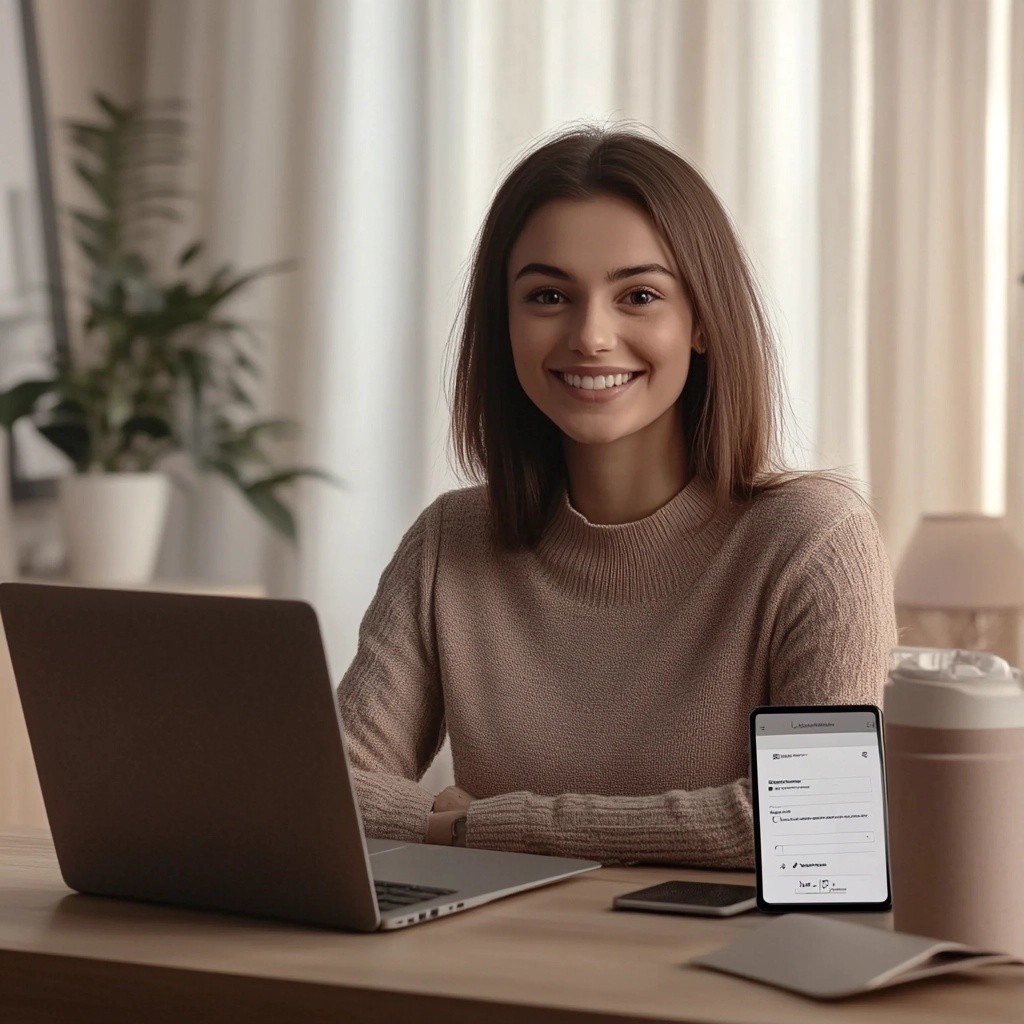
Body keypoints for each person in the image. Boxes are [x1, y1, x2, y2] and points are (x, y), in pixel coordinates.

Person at [336, 123, 896, 868]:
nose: (591, 336)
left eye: (637, 295)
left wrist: (477, 827)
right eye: (547, 296)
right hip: (487, 966)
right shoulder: (450, 541)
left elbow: (819, 822)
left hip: (715, 979)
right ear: (503, 324)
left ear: (701, 321)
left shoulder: (813, 540)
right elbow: (328, 791)